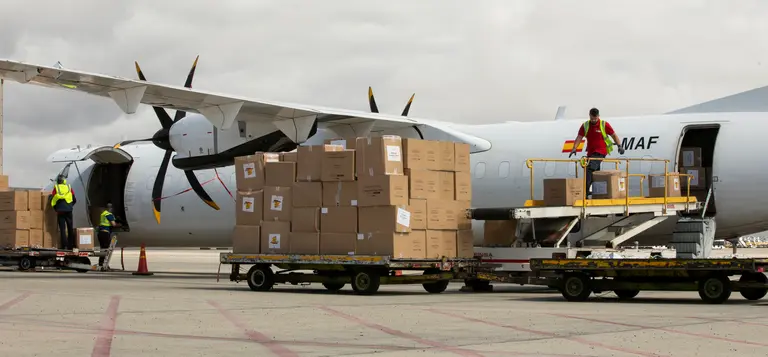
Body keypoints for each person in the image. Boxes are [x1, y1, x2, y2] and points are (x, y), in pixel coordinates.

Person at [568, 108, 625, 197]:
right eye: (592, 118)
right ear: (589, 116)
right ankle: (597, 192)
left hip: (601, 151)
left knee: (589, 168)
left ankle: (585, 192)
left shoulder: (604, 124)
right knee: (595, 172)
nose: (594, 120)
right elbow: (579, 137)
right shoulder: (585, 125)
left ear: (598, 116)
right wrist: (574, 148)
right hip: (591, 152)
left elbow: (614, 135)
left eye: (595, 118)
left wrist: (619, 146)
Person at [50, 175, 76, 250]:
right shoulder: (69, 187)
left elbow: (53, 199)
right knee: (70, 227)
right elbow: (74, 199)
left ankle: (64, 245)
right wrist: (70, 206)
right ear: (64, 181)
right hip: (69, 210)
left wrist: (56, 209)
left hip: (60, 211)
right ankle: (70, 246)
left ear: (58, 181)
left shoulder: (56, 188)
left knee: (62, 228)